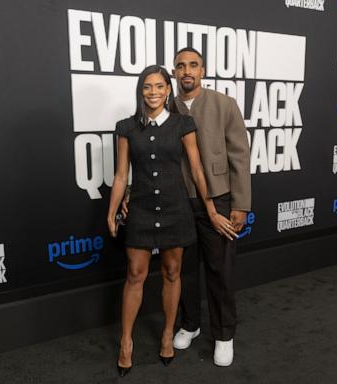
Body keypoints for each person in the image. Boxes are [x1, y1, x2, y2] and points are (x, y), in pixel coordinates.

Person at [107, 65, 229, 376]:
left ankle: (166, 335)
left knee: (173, 272)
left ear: (168, 89)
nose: (153, 93)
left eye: (159, 86)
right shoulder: (125, 127)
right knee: (135, 274)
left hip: (176, 208)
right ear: (140, 90)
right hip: (142, 210)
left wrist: (211, 208)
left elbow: (198, 170)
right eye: (147, 87)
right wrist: (111, 210)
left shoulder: (182, 124)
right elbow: (122, 174)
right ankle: (126, 342)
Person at [171, 47, 251, 367]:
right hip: (180, 201)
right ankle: (190, 324)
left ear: (203, 70)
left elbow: (240, 157)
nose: (187, 70)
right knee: (185, 269)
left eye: (193, 65)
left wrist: (241, 203)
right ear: (174, 72)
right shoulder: (166, 108)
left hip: (218, 198)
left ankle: (223, 334)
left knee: (220, 270)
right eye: (180, 66)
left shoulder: (223, 104)